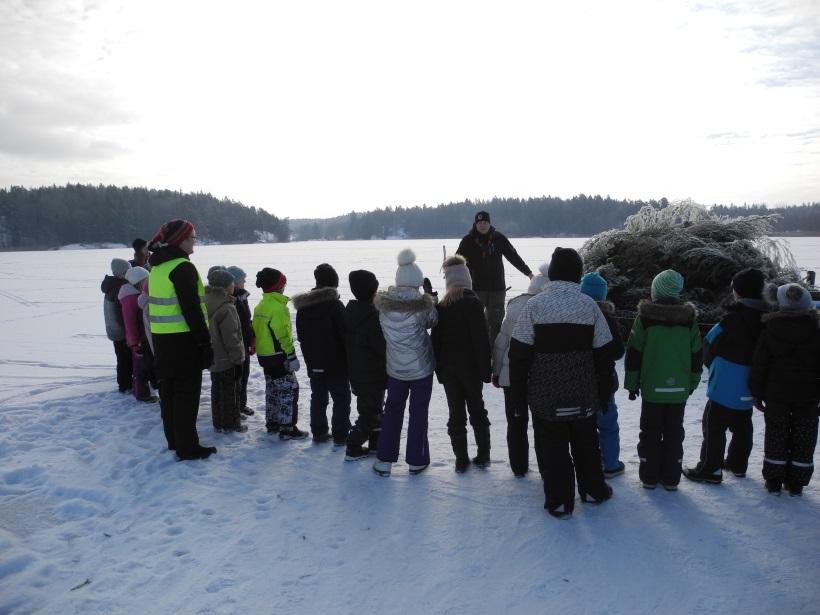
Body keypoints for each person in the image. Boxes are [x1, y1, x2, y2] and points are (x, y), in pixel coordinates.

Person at [509, 247, 614, 518]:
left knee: (552, 448)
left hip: (546, 396)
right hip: (583, 393)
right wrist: (603, 392)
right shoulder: (589, 306)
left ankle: (558, 501)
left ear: (553, 274)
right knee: (587, 444)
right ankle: (593, 490)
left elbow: (518, 356)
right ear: (577, 275)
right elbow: (605, 354)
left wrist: (519, 397)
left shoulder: (534, 305)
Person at [684, 268, 769, 485]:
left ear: (737, 292)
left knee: (713, 425)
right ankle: (738, 464)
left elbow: (710, 342)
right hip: (751, 384)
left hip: (725, 384)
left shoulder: (732, 319)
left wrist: (712, 365)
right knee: (743, 424)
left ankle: (710, 468)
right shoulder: (767, 319)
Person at [625, 269, 703, 490]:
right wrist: (691, 384)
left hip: (652, 391)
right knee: (674, 433)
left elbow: (634, 353)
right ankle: (671, 478)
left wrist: (632, 384)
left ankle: (649, 477)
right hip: (678, 390)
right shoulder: (689, 321)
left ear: (655, 291)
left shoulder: (644, 319)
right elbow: (697, 354)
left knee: (649, 433)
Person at [147, 219, 217, 461]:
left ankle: (175, 442)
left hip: (162, 341)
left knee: (169, 394)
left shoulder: (157, 267)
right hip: (183, 341)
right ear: (181, 240)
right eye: (192, 237)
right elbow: (192, 311)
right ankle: (188, 447)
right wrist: (205, 343)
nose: (194, 241)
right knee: (186, 395)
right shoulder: (182, 267)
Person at [372, 249, 438, 477]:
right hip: (421, 369)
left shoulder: (384, 306)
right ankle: (416, 460)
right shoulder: (423, 306)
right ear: (417, 282)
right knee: (418, 412)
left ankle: (384, 460)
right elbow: (433, 321)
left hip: (395, 369)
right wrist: (432, 300)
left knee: (392, 410)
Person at [750, 283, 820, 496]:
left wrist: (756, 391)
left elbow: (760, 363)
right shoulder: (816, 330)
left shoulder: (770, 329)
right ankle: (797, 482)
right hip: (809, 393)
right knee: (805, 435)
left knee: (776, 433)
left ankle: (773, 479)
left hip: (776, 392)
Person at [431, 255, 492, 473]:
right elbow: (481, 341)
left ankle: (461, 459)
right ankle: (483, 455)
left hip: (449, 370)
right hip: (471, 369)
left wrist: (439, 369)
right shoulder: (473, 303)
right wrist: (486, 370)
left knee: (455, 413)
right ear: (467, 280)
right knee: (477, 409)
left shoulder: (442, 306)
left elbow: (435, 341)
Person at [492, 263, 549, 477]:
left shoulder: (516, 306)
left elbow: (501, 342)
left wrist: (496, 371)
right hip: (539, 377)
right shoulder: (549, 307)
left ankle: (518, 466)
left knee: (515, 422)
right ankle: (545, 466)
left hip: (511, 376)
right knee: (542, 424)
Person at [293, 264, 351, 445]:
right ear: (334, 284)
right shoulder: (335, 306)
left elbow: (301, 336)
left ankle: (319, 432)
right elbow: (345, 334)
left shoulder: (303, 308)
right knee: (341, 398)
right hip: (337, 363)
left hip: (314, 361)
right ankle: (341, 435)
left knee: (318, 397)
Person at [456, 211, 533, 343]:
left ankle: (494, 353)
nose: (482, 225)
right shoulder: (467, 240)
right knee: (477, 323)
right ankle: (480, 352)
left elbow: (513, 256)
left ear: (489, 223)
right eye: (480, 223)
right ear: (475, 224)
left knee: (496, 323)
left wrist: (528, 273)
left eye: (485, 222)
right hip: (476, 288)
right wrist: (454, 279)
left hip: (497, 288)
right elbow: (457, 263)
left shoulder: (499, 238)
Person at [252, 268, 308, 440]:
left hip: (265, 356)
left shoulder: (261, 305)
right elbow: (282, 335)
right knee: (289, 389)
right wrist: (291, 356)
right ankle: (287, 427)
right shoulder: (278, 308)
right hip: (278, 356)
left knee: (273, 389)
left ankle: (273, 422)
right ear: (279, 286)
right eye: (283, 283)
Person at [580, 271, 626, 478]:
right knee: (608, 424)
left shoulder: (575, 314)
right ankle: (611, 464)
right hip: (605, 380)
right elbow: (618, 351)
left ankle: (589, 461)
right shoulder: (607, 317)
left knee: (586, 425)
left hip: (581, 379)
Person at [344, 270, 387, 461]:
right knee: (370, 413)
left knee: (374, 409)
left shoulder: (351, 312)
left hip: (358, 371)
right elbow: (381, 347)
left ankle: (376, 443)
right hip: (372, 373)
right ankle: (353, 445)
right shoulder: (372, 317)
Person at [205, 268, 247, 433]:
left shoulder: (206, 301)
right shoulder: (227, 307)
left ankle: (219, 422)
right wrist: (238, 360)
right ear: (225, 287)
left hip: (214, 357)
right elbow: (232, 337)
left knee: (217, 390)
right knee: (231, 391)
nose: (234, 286)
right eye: (231, 284)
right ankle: (231, 423)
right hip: (227, 359)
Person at [119, 266, 156, 402]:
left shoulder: (138, 293)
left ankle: (145, 390)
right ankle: (142, 394)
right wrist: (134, 342)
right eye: (145, 281)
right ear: (138, 282)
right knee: (141, 367)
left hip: (145, 335)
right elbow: (129, 322)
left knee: (146, 365)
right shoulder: (129, 298)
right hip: (139, 339)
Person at [227, 265, 256, 418]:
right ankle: (234, 407)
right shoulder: (229, 301)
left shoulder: (242, 297)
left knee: (244, 374)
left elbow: (247, 319)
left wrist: (252, 336)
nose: (245, 281)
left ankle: (241, 404)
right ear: (234, 282)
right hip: (235, 345)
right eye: (242, 279)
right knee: (235, 377)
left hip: (244, 341)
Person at [101, 257, 133, 393]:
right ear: (120, 273)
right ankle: (125, 385)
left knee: (122, 357)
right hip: (121, 331)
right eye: (127, 271)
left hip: (114, 329)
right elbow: (122, 313)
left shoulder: (111, 285)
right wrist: (129, 331)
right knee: (125, 359)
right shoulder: (119, 288)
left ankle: (125, 383)